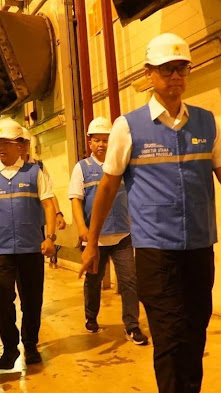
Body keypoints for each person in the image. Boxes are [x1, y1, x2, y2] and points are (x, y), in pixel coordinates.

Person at [80, 33, 221, 393]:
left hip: (199, 247)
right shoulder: (128, 126)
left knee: (195, 332)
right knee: (168, 337)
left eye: (181, 69)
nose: (175, 76)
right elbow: (108, 186)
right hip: (156, 253)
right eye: (166, 69)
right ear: (149, 74)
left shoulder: (205, 122)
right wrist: (92, 242)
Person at [0, 118, 57, 369]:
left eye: (6, 143)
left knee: (32, 300)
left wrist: (50, 237)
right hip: (2, 250)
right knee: (4, 298)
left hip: (31, 248)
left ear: (19, 145)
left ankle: (30, 345)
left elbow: (48, 205)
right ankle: (10, 348)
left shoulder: (34, 173)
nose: (0, 148)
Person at [69, 117, 148, 344]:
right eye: (97, 140)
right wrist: (82, 228)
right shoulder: (82, 168)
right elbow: (76, 199)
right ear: (90, 142)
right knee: (93, 280)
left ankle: (132, 326)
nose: (101, 145)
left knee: (129, 281)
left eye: (106, 140)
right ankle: (91, 317)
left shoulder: (122, 167)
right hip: (96, 239)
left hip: (123, 235)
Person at [20, 127, 67, 231]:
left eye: (25, 142)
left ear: (29, 144)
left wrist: (58, 213)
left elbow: (49, 192)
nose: (22, 146)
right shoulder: (9, 168)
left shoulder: (38, 166)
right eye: (19, 142)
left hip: (37, 221)